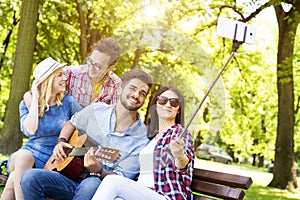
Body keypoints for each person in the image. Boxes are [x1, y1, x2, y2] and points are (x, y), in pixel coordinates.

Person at [21, 69, 153, 200]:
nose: (136, 95)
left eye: (142, 93)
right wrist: (61, 141)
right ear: (120, 89)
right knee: (30, 177)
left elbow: (121, 179)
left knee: (91, 184)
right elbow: (71, 123)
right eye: (132, 88)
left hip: (100, 186)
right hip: (70, 174)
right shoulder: (96, 109)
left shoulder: (141, 139)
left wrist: (99, 170)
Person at [92, 86, 195, 200]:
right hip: (142, 193)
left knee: (112, 181)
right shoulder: (151, 137)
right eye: (162, 100)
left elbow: (183, 165)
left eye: (174, 102)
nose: (168, 105)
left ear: (179, 109)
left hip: (166, 196)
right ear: (156, 105)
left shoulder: (180, 134)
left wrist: (179, 155)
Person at [0, 57, 82, 200]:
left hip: (54, 158)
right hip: (28, 156)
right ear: (48, 79)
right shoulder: (26, 104)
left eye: (64, 74)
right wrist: (36, 97)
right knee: (23, 156)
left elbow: (85, 122)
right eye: (59, 75)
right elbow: (30, 130)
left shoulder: (69, 103)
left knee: (14, 178)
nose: (65, 79)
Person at [24, 37, 122, 108]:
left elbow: (116, 114)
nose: (91, 67)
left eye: (98, 66)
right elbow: (38, 90)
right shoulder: (71, 73)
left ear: (110, 68)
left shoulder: (115, 83)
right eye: (90, 61)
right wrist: (30, 103)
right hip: (68, 131)